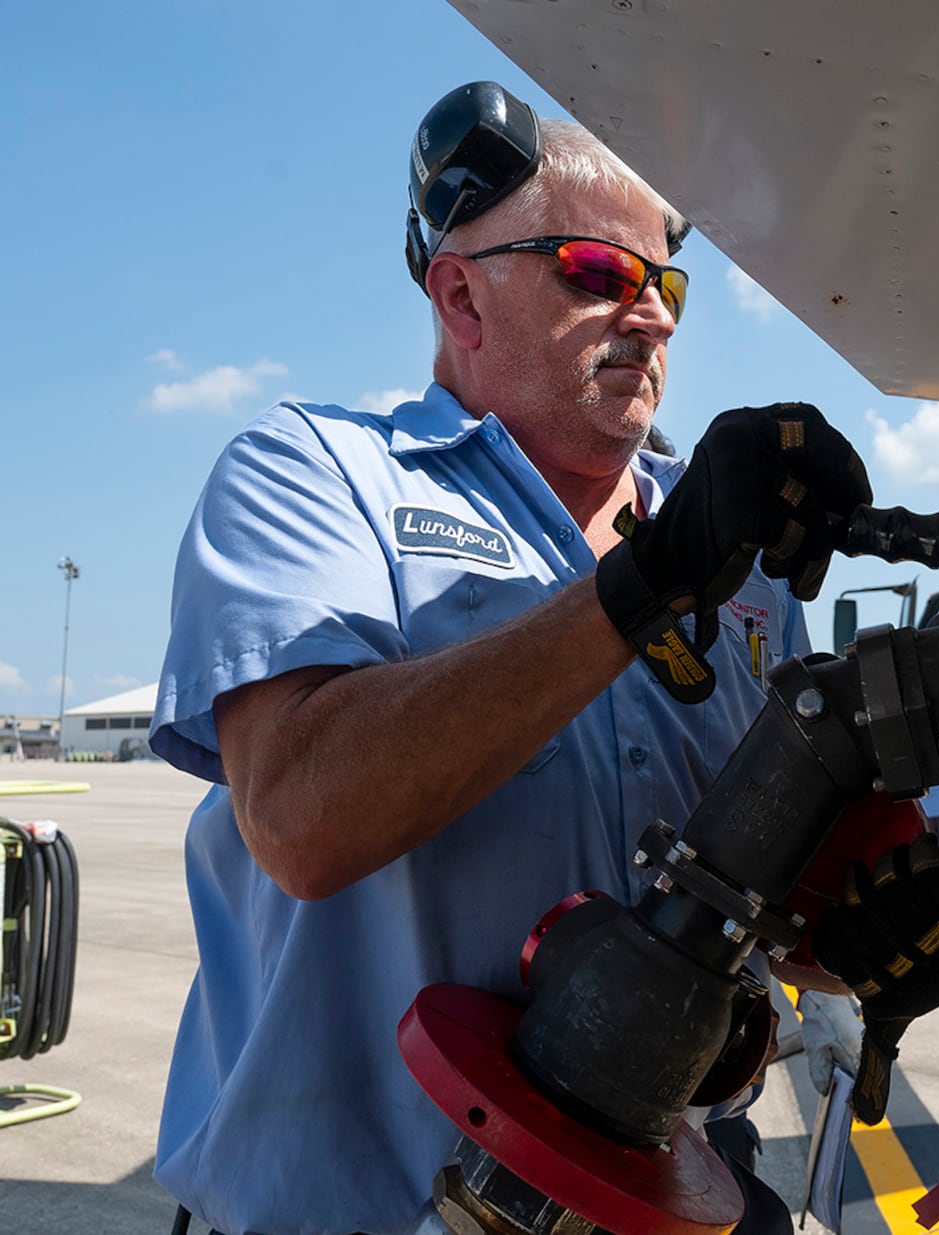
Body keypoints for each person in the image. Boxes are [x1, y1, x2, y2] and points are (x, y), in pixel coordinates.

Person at [149, 82, 872, 1235]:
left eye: (667, 286)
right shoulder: (316, 475)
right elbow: (299, 813)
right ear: (459, 294)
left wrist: (891, 921)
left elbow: (779, 908)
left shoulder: (740, 560)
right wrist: (638, 586)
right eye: (599, 273)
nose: (653, 318)